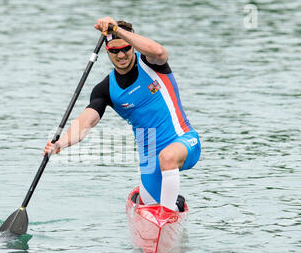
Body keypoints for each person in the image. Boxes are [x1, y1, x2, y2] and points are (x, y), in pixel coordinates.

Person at [44, 17, 201, 211]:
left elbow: (160, 51)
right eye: (114, 51)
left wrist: (117, 29)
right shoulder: (106, 89)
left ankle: (167, 212)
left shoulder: (152, 64)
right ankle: (168, 203)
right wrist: (61, 143)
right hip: (150, 159)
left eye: (126, 48)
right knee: (149, 203)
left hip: (184, 141)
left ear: (133, 46)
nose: (121, 55)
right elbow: (87, 121)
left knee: (167, 157)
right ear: (107, 51)